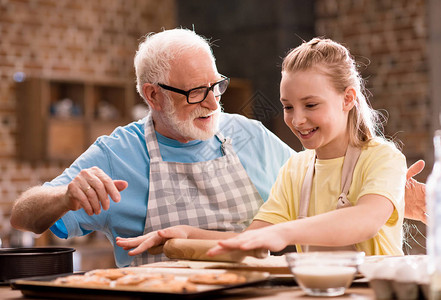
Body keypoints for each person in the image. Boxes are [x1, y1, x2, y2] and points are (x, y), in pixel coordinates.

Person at [10, 28, 294, 267]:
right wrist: (64, 196)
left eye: (216, 86)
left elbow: (316, 189)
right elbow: (24, 217)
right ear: (154, 95)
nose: (213, 103)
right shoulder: (117, 155)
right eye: (196, 92)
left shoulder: (250, 136)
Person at [116, 37, 410, 257]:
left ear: (347, 99)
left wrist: (283, 232)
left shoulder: (383, 158)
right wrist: (185, 233)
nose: (298, 119)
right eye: (287, 106)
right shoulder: (297, 168)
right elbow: (251, 239)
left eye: (310, 105)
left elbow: (364, 220)